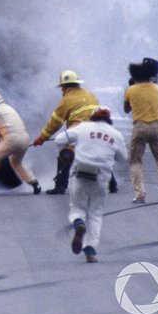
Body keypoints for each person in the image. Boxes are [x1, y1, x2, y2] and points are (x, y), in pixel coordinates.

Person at [54, 106, 128, 263]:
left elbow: (59, 139)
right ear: (109, 119)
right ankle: (90, 250)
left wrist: (70, 147)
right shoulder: (116, 135)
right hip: (101, 178)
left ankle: (79, 223)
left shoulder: (82, 127)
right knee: (95, 213)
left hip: (79, 174)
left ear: (93, 116)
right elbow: (123, 158)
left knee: (78, 208)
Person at [33, 70, 119, 195]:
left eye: (62, 87)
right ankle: (112, 185)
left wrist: (41, 138)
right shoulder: (90, 94)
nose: (62, 90)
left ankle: (60, 186)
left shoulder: (66, 100)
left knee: (66, 155)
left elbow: (54, 123)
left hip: (78, 132)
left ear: (65, 87)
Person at [124, 59, 158, 203]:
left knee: (135, 160)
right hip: (156, 126)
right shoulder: (155, 88)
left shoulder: (130, 90)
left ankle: (140, 193)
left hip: (139, 126)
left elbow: (126, 109)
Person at [0, 87, 41, 195]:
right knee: (16, 162)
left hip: (11, 140)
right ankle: (35, 183)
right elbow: (1, 130)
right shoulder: (8, 108)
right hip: (24, 139)